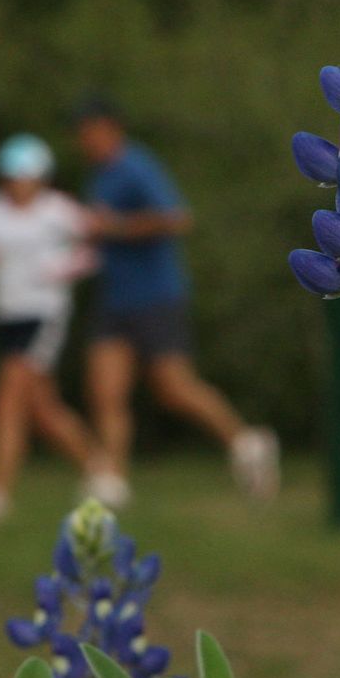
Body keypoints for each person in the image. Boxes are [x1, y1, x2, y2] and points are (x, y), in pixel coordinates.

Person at [73, 95, 278, 507]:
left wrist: (115, 227)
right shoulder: (97, 179)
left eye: (89, 132)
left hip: (156, 296)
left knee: (173, 388)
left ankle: (246, 442)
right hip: (113, 298)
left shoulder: (137, 166)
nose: (84, 142)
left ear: (110, 128)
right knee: (105, 390)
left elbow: (176, 217)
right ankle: (112, 479)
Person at [0, 134, 113, 524]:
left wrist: (61, 267)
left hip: (44, 314)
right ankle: (99, 470)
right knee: (42, 410)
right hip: (5, 314)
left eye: (24, 176)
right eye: (11, 176)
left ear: (40, 178)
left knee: (7, 396)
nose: (17, 184)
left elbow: (94, 248)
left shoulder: (57, 210)